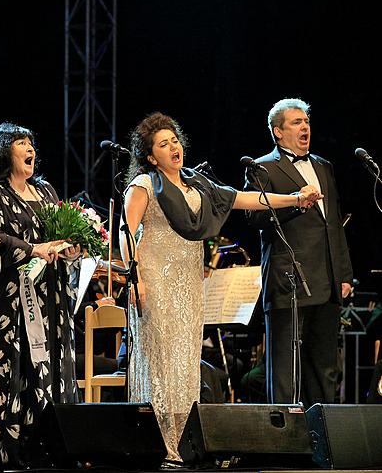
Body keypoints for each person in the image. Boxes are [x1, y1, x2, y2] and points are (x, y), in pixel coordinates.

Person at [121, 112, 320, 462]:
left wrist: (294, 199)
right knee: (163, 362)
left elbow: (245, 199)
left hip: (187, 284)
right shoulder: (143, 186)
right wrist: (136, 280)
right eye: (163, 144)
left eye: (175, 140)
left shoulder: (196, 183)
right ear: (151, 156)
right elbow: (126, 233)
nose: (174, 148)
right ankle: (158, 443)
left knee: (185, 362)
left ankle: (182, 442)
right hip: (156, 281)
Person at [0, 122, 82, 467]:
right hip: (1, 303)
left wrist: (69, 249)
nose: (30, 149)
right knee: (5, 370)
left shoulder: (45, 191)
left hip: (43, 300)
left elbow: (59, 233)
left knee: (41, 366)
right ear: (2, 151)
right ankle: (2, 450)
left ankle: (42, 446)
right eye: (21, 143)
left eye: (31, 143)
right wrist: (32, 249)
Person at [244, 98, 353, 409]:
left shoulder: (323, 166)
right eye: (296, 122)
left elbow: (333, 223)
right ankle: (285, 439)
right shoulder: (262, 167)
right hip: (288, 280)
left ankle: (323, 436)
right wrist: (294, 201)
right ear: (278, 132)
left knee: (324, 368)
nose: (305, 127)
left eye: (306, 121)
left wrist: (343, 274)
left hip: (327, 280)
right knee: (285, 369)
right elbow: (254, 218)